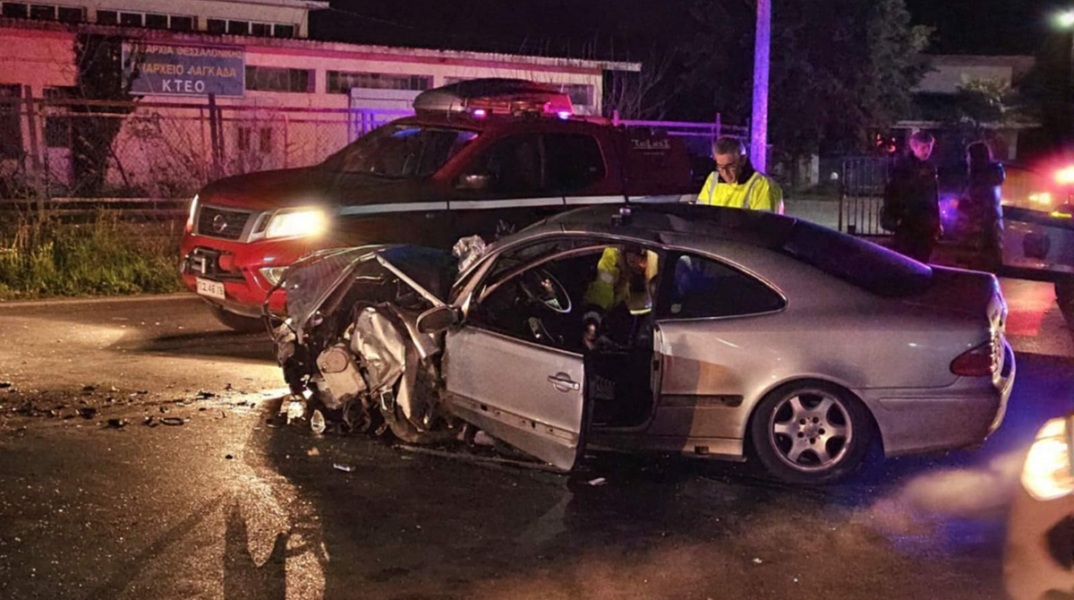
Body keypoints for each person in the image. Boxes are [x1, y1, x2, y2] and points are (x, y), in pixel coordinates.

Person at [581, 245, 658, 350]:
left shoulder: (656, 256)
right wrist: (593, 319)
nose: (637, 263)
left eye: (641, 258)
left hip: (655, 317)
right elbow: (602, 288)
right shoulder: (613, 255)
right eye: (631, 252)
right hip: (623, 308)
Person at [882, 130, 941, 263]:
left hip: (926, 220)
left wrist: (936, 220)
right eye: (923, 147)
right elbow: (892, 192)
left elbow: (933, 194)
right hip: (908, 220)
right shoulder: (903, 167)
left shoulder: (930, 167)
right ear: (914, 146)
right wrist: (896, 215)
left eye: (929, 147)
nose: (927, 151)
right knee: (906, 257)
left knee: (924, 256)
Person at [697, 137, 784, 213]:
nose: (724, 172)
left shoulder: (763, 185)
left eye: (730, 166)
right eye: (720, 166)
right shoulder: (713, 179)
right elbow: (702, 215)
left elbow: (766, 226)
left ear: (742, 160)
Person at [964, 141, 1005, 272]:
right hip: (992, 219)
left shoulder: (979, 176)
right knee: (991, 251)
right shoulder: (994, 172)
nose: (967, 159)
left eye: (969, 156)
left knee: (982, 254)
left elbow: (975, 198)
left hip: (983, 220)